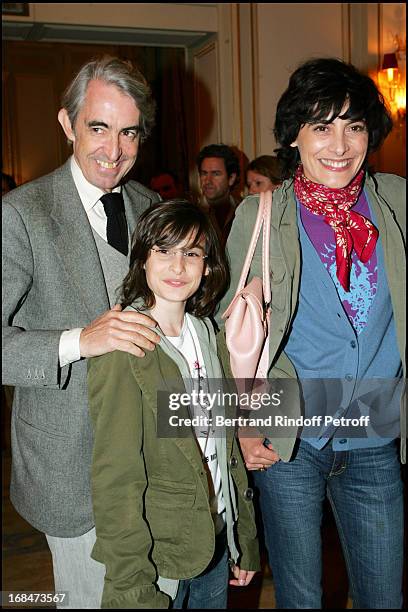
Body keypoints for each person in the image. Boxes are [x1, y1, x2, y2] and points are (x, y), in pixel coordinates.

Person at [219, 58, 405, 608]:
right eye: (322, 127)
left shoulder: (396, 201)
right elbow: (231, 331)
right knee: (301, 598)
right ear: (294, 136)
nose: (340, 145)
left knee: (384, 595)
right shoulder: (259, 215)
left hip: (374, 429)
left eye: (354, 126)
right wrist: (243, 427)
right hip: (289, 436)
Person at [2, 56, 162, 608]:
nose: (113, 150)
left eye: (128, 132)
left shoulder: (153, 207)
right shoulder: (20, 214)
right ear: (68, 125)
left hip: (153, 456)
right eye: (98, 127)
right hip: (71, 466)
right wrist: (78, 341)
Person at [87, 199, 259, 608]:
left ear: (208, 266)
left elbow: (224, 446)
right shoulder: (126, 346)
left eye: (191, 253)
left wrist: (243, 538)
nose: (178, 267)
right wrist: (133, 586)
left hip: (215, 544)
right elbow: (117, 476)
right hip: (160, 557)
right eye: (163, 251)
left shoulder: (206, 334)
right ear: (142, 259)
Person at [197, 144, 240, 247]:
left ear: (231, 178)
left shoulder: (244, 210)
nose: (208, 181)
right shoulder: (192, 213)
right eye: (204, 173)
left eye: (216, 174)